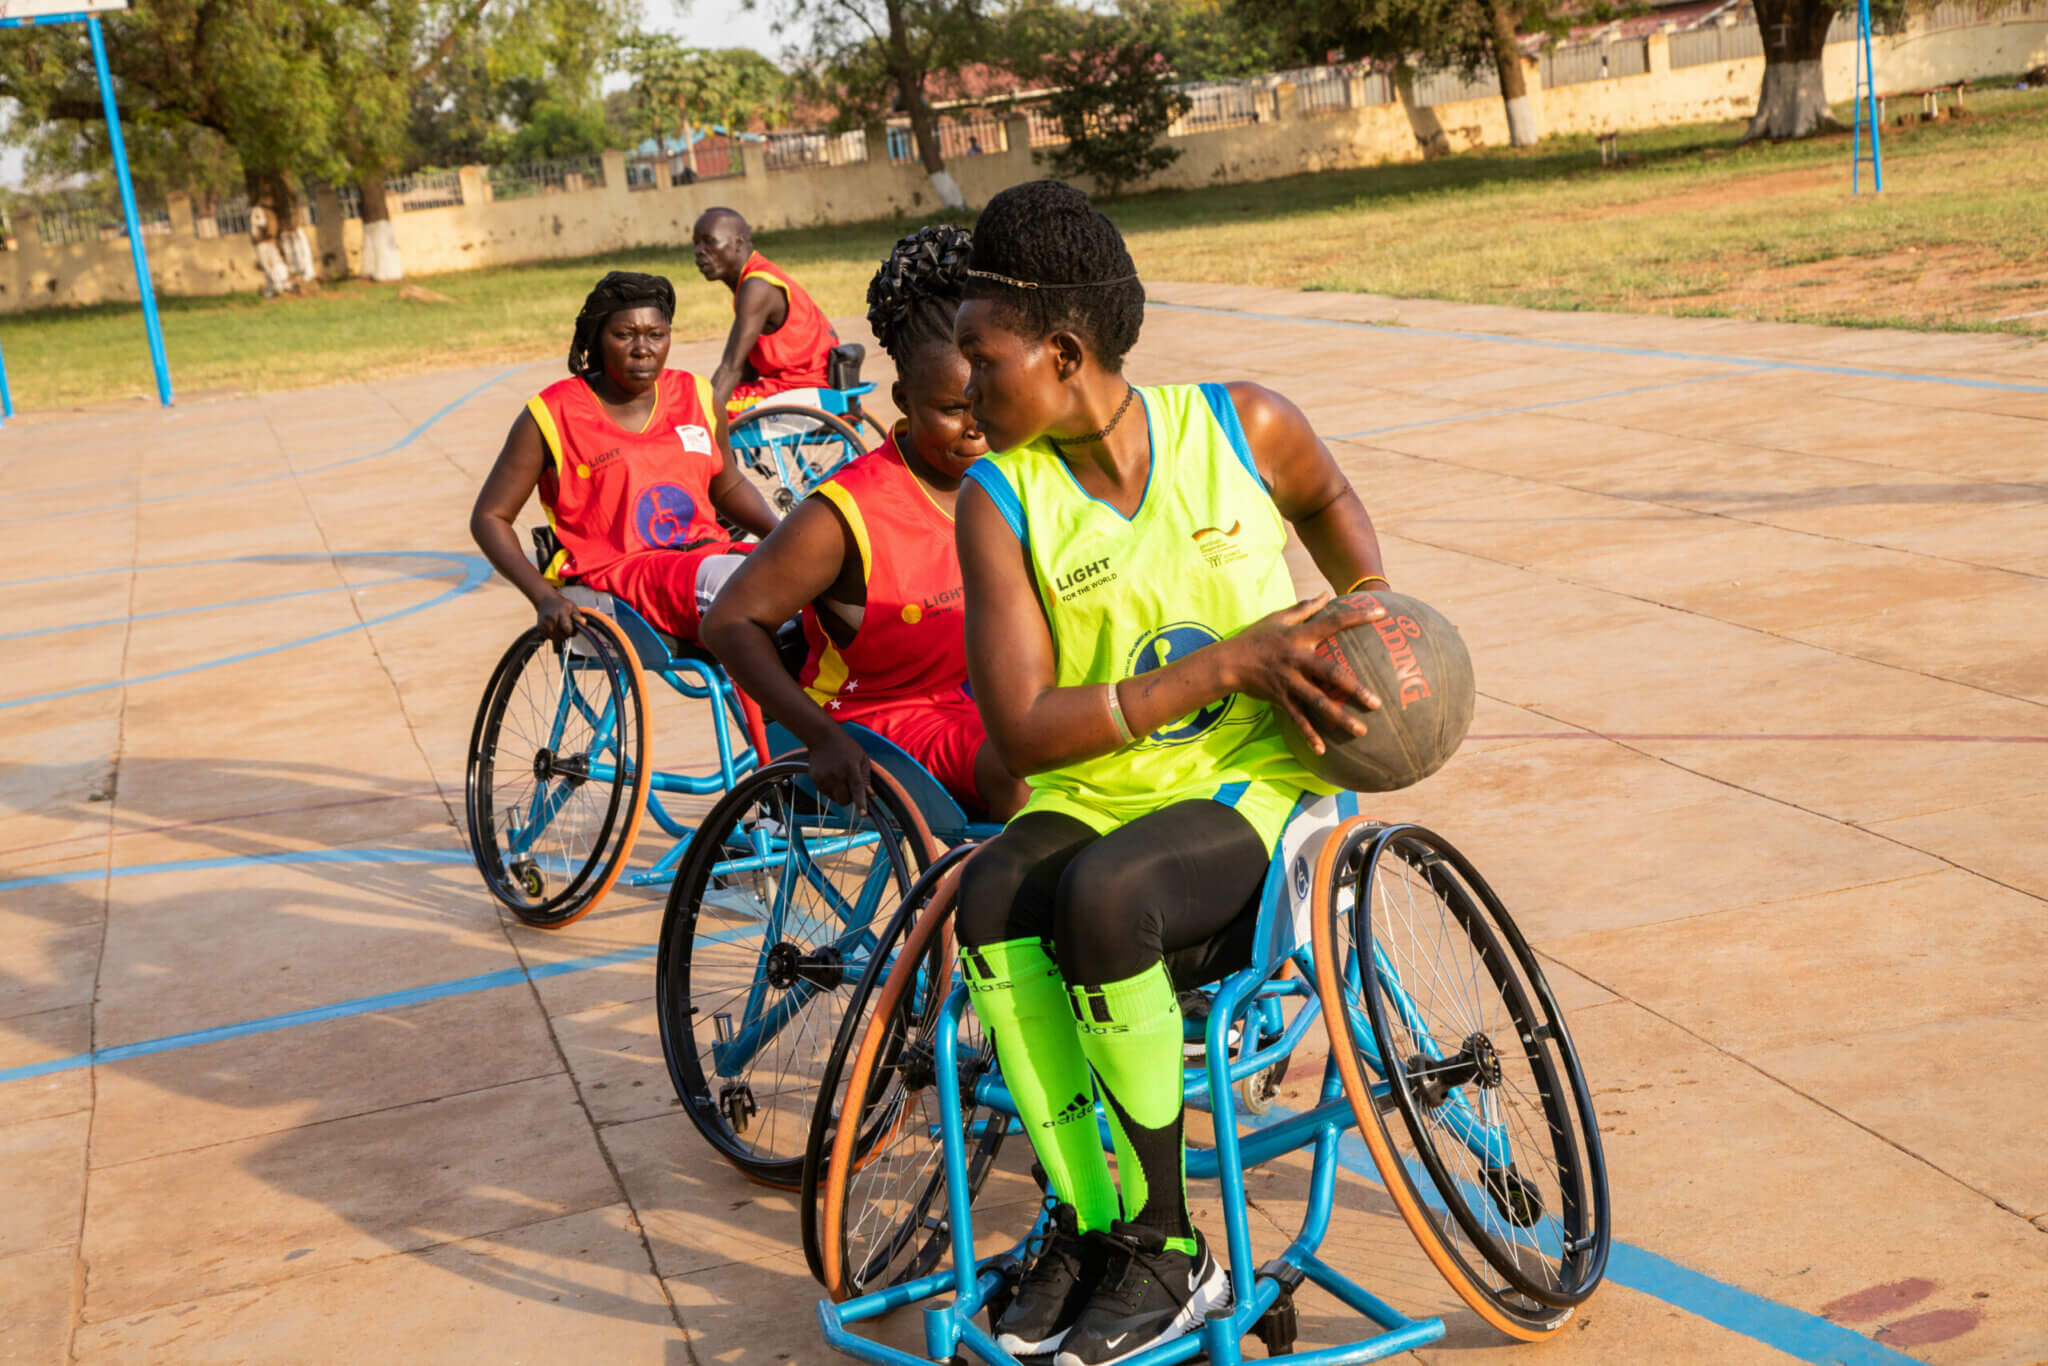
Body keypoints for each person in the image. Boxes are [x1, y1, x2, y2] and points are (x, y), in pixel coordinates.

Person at [950, 180, 1392, 1366]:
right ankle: (1091, 1223)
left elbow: (1329, 501)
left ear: (1062, 351)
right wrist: (1224, 663)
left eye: (981, 358)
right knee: (988, 895)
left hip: (1257, 792)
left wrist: (1370, 623)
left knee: (1104, 894)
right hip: (1096, 787)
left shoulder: (1241, 426)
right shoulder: (999, 498)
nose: (964, 387)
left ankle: (1167, 1243)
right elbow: (1024, 731)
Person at [703, 226, 1029, 821]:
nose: (977, 425)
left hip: (985, 695)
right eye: (953, 409)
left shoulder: (1019, 474)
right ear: (903, 399)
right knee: (1026, 774)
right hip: (882, 717)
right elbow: (729, 622)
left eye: (987, 400)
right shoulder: (846, 512)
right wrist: (820, 737)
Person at [470, 270, 780, 644]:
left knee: (809, 577)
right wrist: (542, 596)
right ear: (597, 339)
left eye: (656, 335)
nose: (643, 348)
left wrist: (782, 537)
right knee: (737, 588)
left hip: (704, 556)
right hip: (621, 573)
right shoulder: (553, 413)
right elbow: (490, 516)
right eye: (624, 335)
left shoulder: (696, 394)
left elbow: (727, 485)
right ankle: (772, 702)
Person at [692, 207, 841, 414]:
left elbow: (731, 367)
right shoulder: (756, 279)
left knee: (696, 407)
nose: (699, 251)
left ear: (738, 243)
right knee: (705, 398)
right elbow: (746, 369)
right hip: (806, 385)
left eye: (709, 241)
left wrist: (699, 419)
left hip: (802, 391)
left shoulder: (756, 287)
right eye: (696, 243)